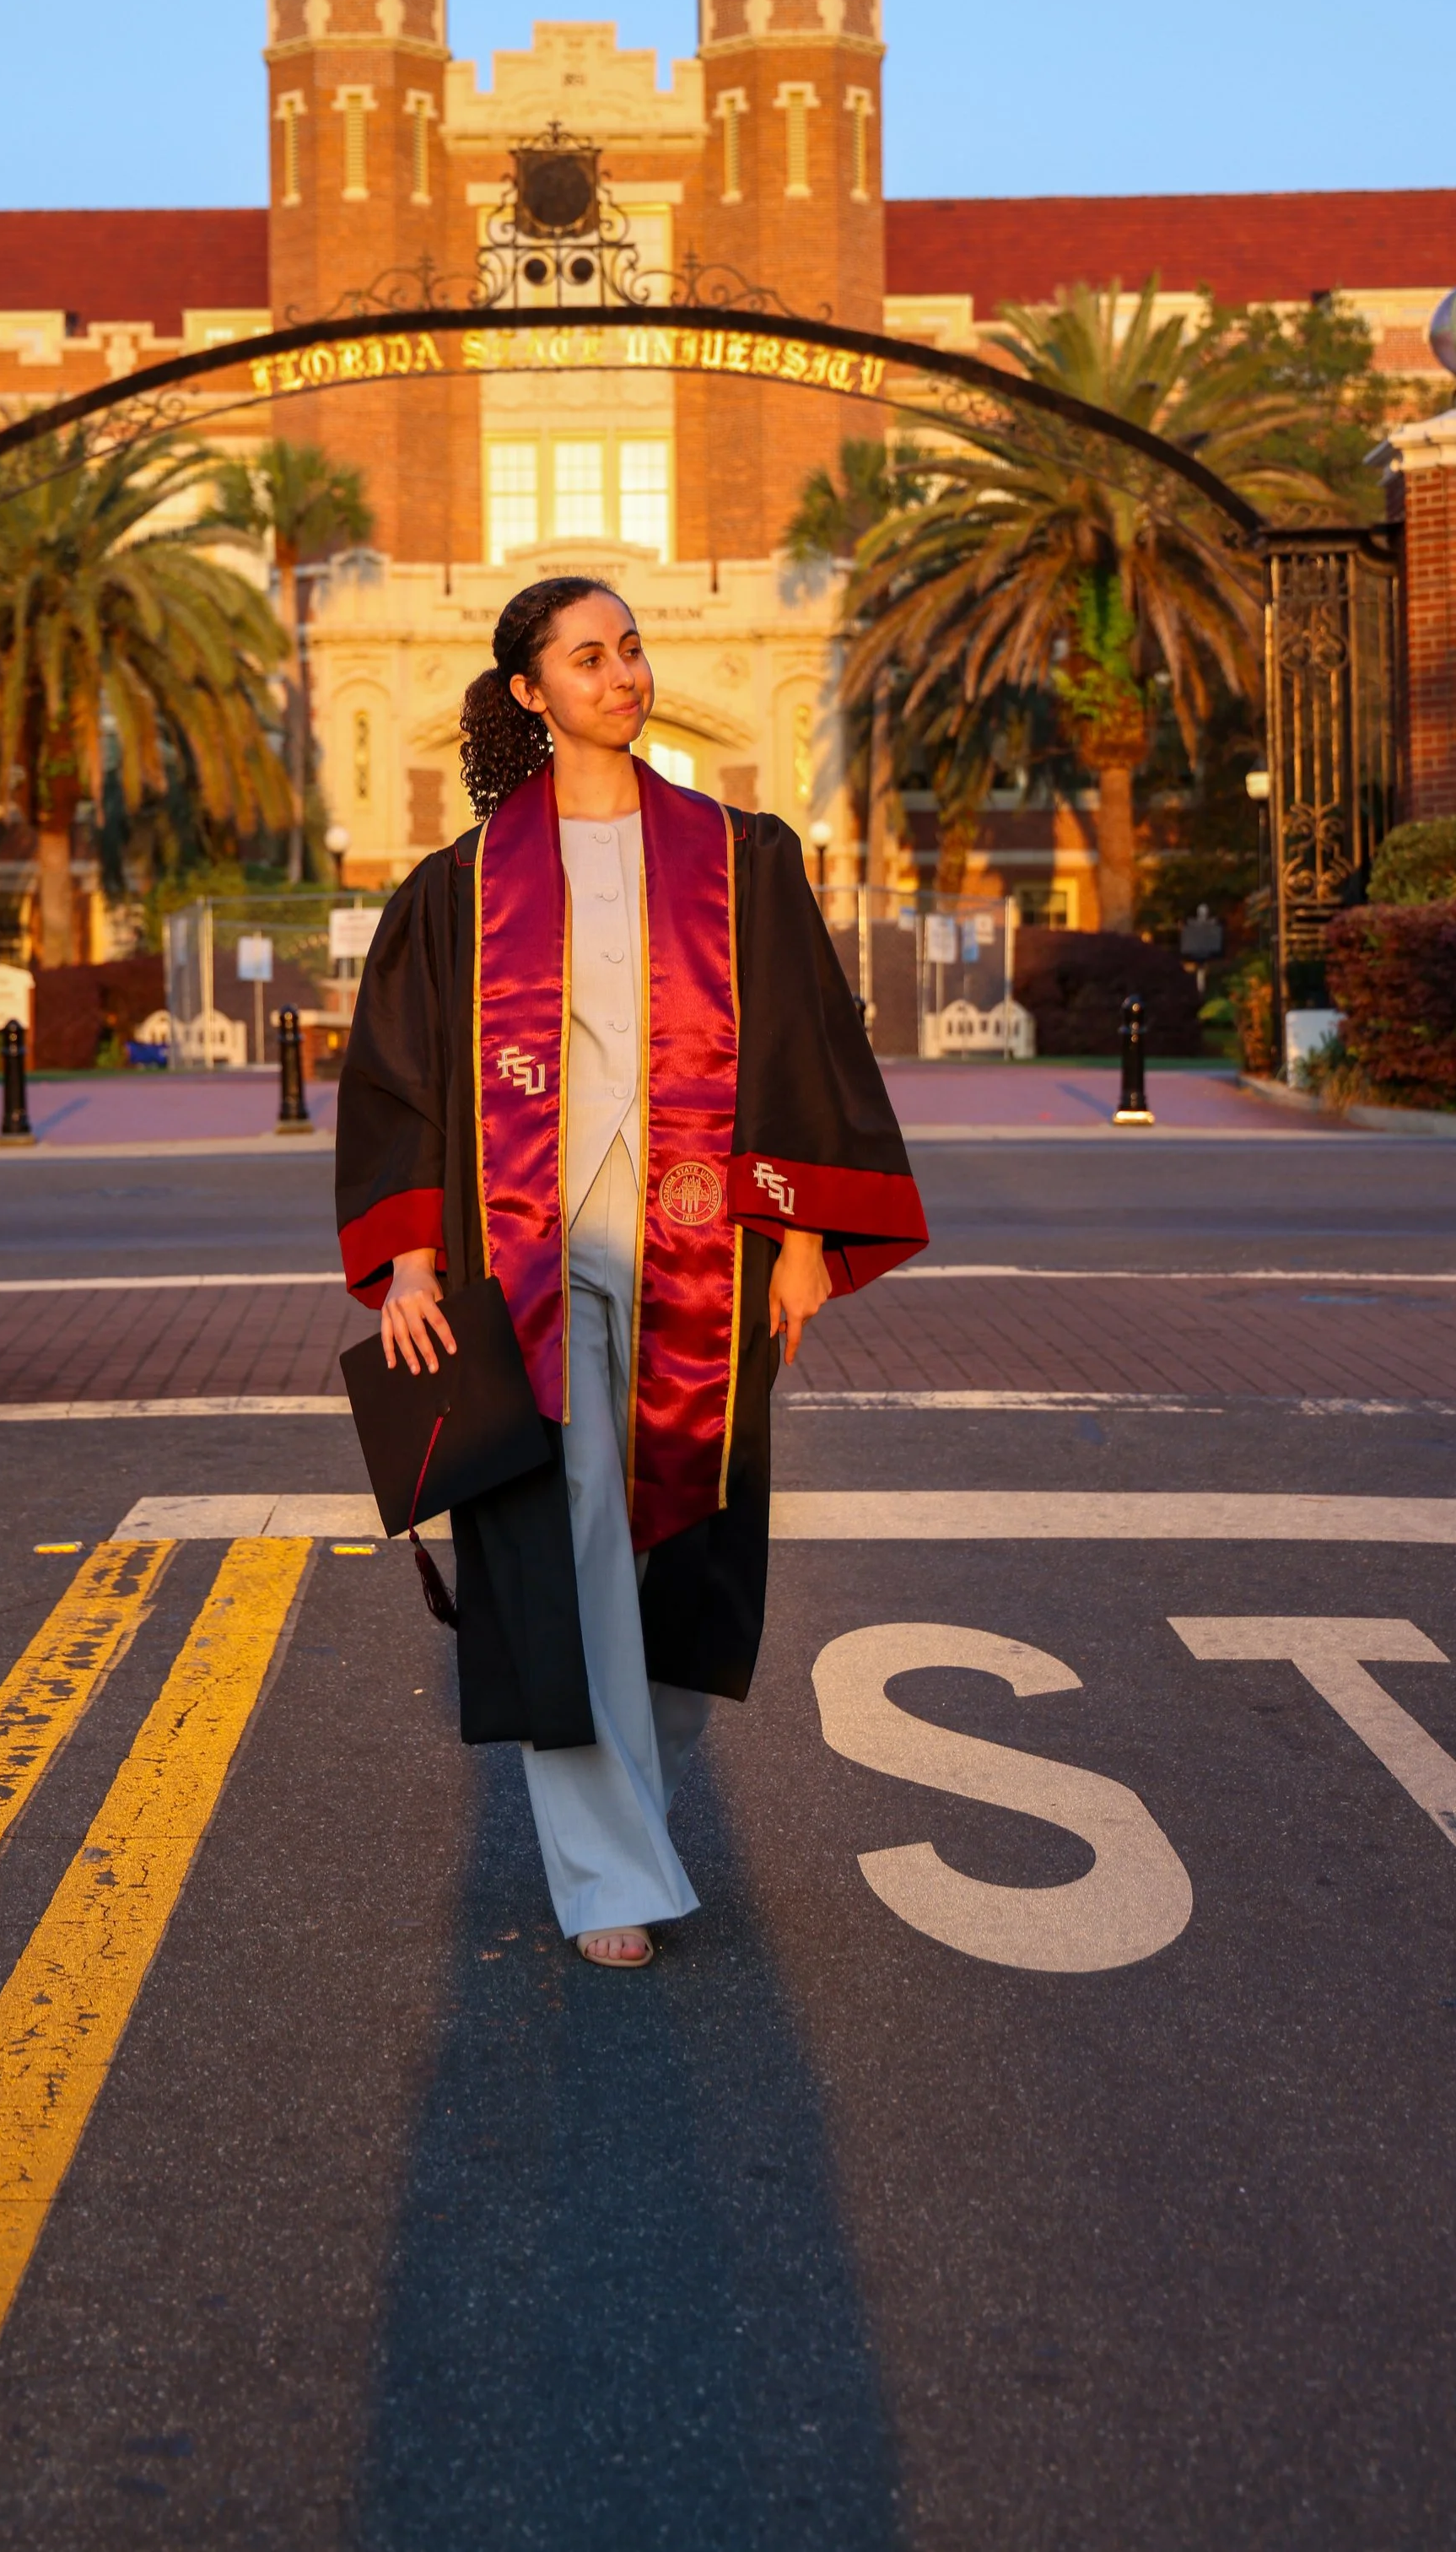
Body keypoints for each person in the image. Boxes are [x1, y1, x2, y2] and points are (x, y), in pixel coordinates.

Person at [336, 575, 925, 1968]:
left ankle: (634, 1812)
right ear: (530, 694)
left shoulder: (740, 855)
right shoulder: (462, 887)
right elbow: (400, 1081)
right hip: (523, 1247)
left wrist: (798, 1245)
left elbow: (801, 1048)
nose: (623, 673)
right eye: (588, 657)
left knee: (681, 1542)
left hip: (701, 1246)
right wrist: (410, 1264)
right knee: (569, 1541)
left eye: (632, 647)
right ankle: (609, 1875)